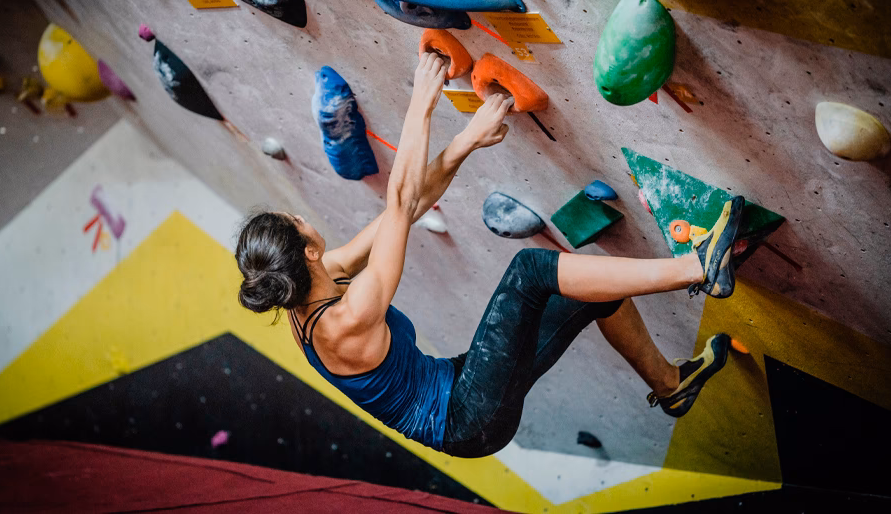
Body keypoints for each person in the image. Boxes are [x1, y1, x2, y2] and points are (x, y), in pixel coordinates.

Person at [234, 52, 743, 458]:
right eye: (295, 220)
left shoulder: (322, 277)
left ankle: (672, 385)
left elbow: (409, 209)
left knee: (590, 293)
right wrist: (422, 100)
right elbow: (400, 198)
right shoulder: (345, 319)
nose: (302, 216)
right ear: (307, 248)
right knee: (531, 272)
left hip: (462, 384)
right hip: (467, 419)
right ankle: (698, 267)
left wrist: (466, 143)